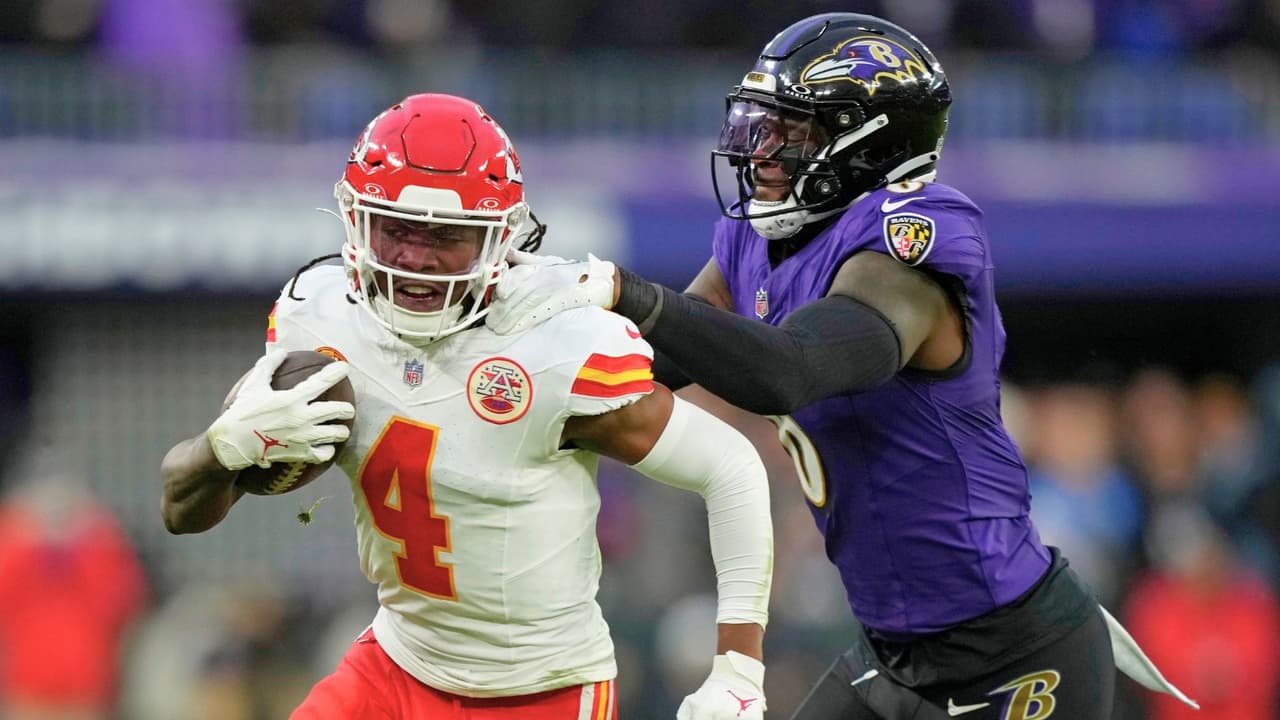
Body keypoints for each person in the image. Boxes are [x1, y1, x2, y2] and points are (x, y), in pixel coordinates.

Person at [486, 13, 1197, 719]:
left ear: (869, 141)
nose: (761, 152)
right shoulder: (755, 240)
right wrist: (501, 364)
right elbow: (649, 359)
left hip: (1013, 654)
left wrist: (625, 290)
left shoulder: (912, 251)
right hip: (891, 656)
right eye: (757, 127)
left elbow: (791, 369)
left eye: (789, 133)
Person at [160, 93, 775, 720]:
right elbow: (181, 509)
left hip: (542, 693)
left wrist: (737, 666)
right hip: (394, 665)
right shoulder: (317, 315)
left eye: (448, 237)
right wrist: (222, 450)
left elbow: (730, 466)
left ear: (499, 240)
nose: (418, 259)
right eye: (396, 229)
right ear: (357, 222)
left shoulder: (554, 340)